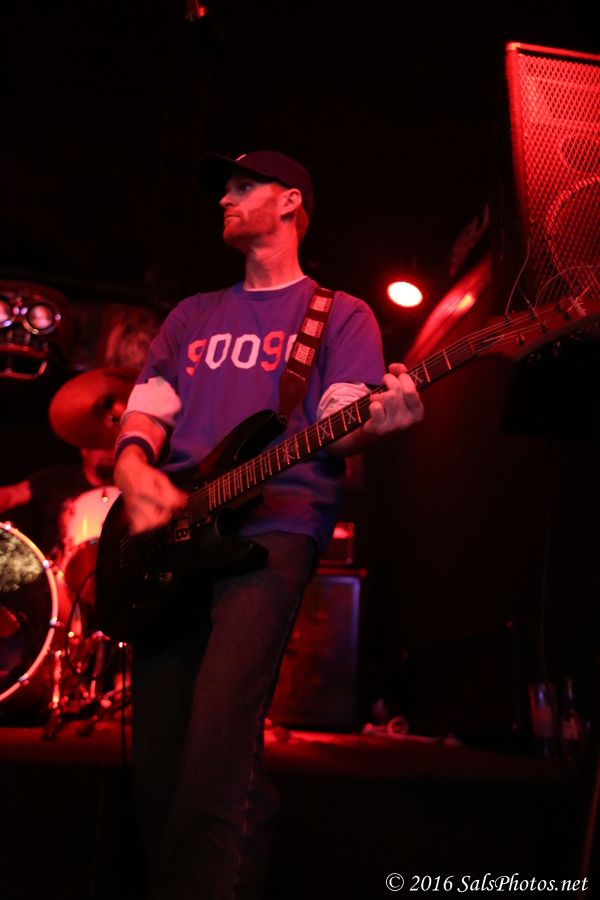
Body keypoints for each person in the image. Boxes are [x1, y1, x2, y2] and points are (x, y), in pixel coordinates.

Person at [113, 150, 424, 900]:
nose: (224, 198)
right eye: (225, 188)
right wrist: (131, 467)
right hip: (171, 537)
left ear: (289, 203)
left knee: (218, 742)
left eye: (242, 186)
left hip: (274, 529)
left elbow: (341, 423)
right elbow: (147, 411)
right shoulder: (192, 315)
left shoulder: (339, 313)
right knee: (158, 761)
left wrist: (380, 422)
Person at [0, 446, 115, 558]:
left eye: (114, 446)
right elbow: (12, 495)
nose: (109, 453)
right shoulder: (58, 478)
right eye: (103, 446)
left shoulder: (122, 490)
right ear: (84, 450)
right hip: (58, 566)